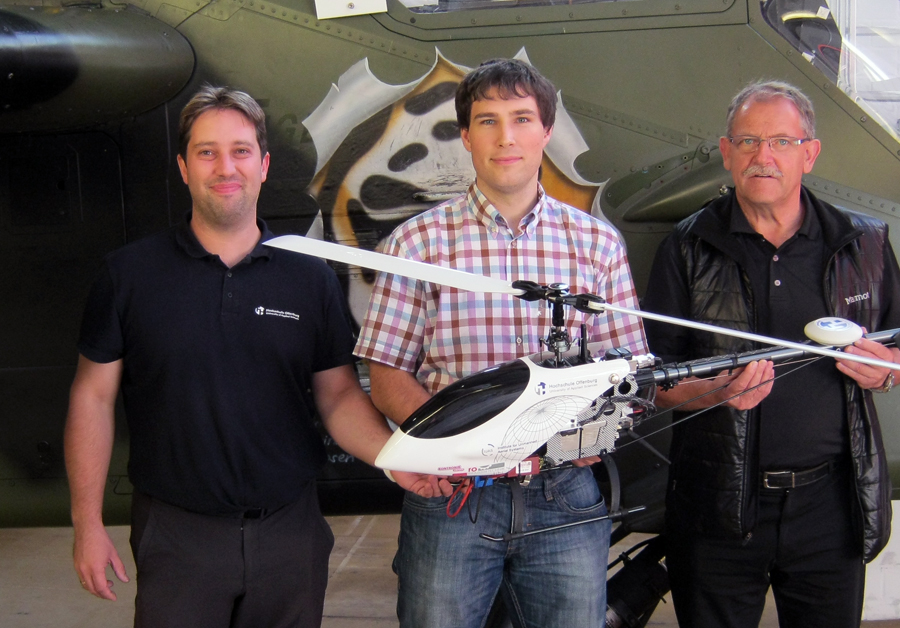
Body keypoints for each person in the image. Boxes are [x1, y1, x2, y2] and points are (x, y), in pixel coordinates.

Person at [64, 85, 447, 628]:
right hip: (176, 537)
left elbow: (338, 396)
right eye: (207, 152)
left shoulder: (309, 277)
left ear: (264, 166)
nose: (226, 167)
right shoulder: (128, 276)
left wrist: (395, 459)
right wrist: (87, 523)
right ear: (183, 167)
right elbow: (92, 398)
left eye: (241, 151)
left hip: (289, 535)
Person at [354, 58, 647, 628]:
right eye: (487, 121)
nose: (506, 137)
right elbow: (386, 376)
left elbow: (627, 373)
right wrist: (462, 447)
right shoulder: (415, 244)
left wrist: (598, 429)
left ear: (546, 131)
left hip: (564, 494)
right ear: (466, 136)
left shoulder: (598, 245)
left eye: (522, 119)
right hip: (453, 497)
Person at [643, 80, 900, 628]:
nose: (762, 156)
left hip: (831, 505)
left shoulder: (862, 242)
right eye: (747, 141)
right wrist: (716, 392)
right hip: (718, 504)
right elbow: (651, 381)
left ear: (809, 154)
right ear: (727, 153)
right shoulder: (688, 247)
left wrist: (886, 372)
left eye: (781, 142)